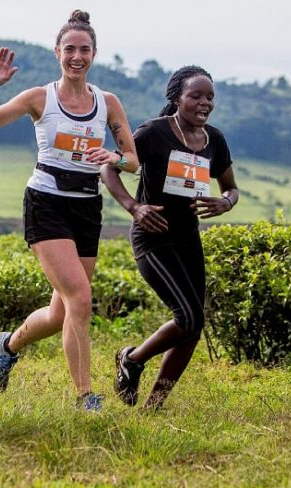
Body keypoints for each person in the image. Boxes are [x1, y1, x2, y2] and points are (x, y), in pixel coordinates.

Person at [0, 10, 139, 411]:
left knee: (60, 310)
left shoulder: (107, 103)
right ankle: (86, 398)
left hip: (87, 206)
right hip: (46, 203)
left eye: (84, 49)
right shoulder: (38, 98)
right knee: (80, 298)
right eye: (69, 49)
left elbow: (133, 160)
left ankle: (6, 344)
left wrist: (112, 156)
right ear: (57, 52)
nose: (76, 56)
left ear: (94, 53)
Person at [100, 65, 238, 410]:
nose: (204, 103)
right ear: (177, 98)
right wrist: (134, 207)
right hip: (153, 238)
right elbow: (108, 167)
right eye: (196, 96)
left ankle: (153, 407)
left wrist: (225, 202)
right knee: (189, 317)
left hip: (188, 238)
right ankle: (131, 359)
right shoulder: (153, 133)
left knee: (192, 328)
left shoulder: (214, 140)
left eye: (210, 97)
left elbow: (232, 188)